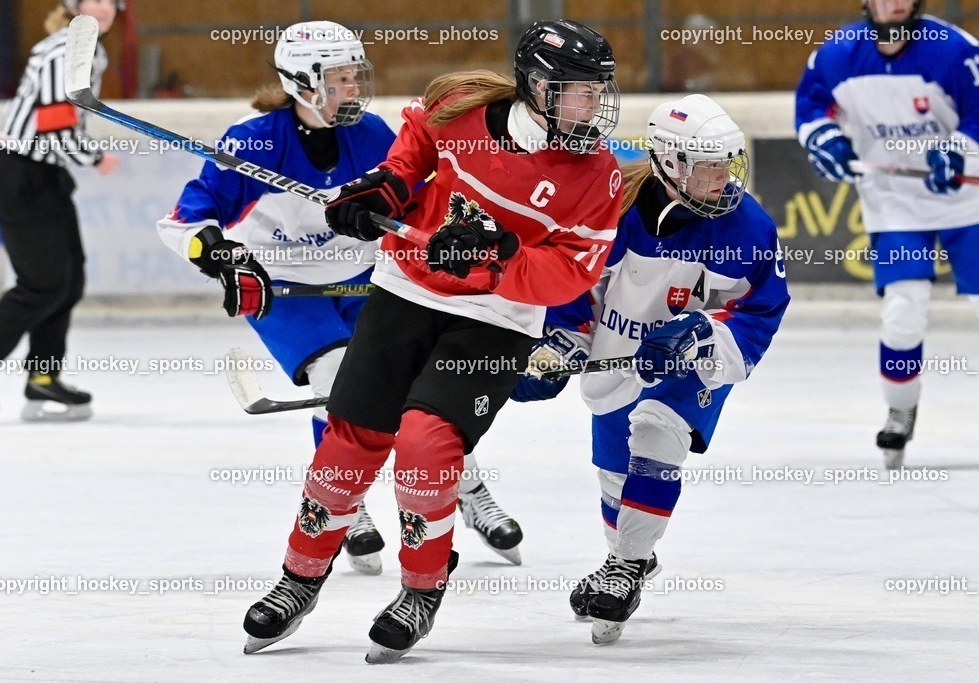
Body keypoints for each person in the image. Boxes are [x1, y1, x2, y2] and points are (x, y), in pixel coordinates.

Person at [240, 19, 623, 662]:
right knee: (350, 440)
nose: (592, 106)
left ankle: (420, 589)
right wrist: (383, 188)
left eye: (597, 91)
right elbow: (414, 148)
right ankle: (298, 578)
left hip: (497, 319)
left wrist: (498, 257)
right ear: (534, 88)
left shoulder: (598, 174)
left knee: (424, 440)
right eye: (575, 91)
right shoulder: (461, 108)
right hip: (405, 288)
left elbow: (571, 272)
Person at [156, 21, 522, 576]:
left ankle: (467, 489)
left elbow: (414, 199)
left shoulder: (372, 133)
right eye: (339, 79)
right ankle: (346, 508)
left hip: (363, 279)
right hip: (284, 289)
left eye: (356, 76)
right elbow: (186, 217)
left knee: (422, 396)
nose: (353, 88)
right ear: (302, 82)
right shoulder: (254, 139)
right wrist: (218, 255)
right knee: (337, 378)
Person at [514, 95, 789, 644]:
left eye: (725, 163)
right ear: (668, 161)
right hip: (618, 354)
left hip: (694, 364)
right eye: (705, 165)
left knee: (657, 434)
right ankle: (634, 559)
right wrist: (561, 344)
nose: (721, 178)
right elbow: (575, 283)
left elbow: (761, 310)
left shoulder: (748, 228)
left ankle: (622, 568)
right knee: (616, 477)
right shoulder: (610, 210)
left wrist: (703, 333)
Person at [795, 0, 979, 468]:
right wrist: (824, 138)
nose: (892, 4)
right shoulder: (838, 54)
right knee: (903, 311)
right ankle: (901, 406)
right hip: (894, 204)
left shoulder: (953, 50)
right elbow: (811, 106)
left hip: (968, 203)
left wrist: (959, 151)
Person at [0, 0, 122, 424]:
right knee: (42, 283)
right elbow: (53, 124)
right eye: (93, 0)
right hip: (18, 173)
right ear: (73, 7)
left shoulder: (91, 51)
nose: (103, 7)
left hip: (46, 174)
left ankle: (43, 377)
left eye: (111, 1)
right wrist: (95, 158)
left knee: (68, 280)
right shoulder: (64, 49)